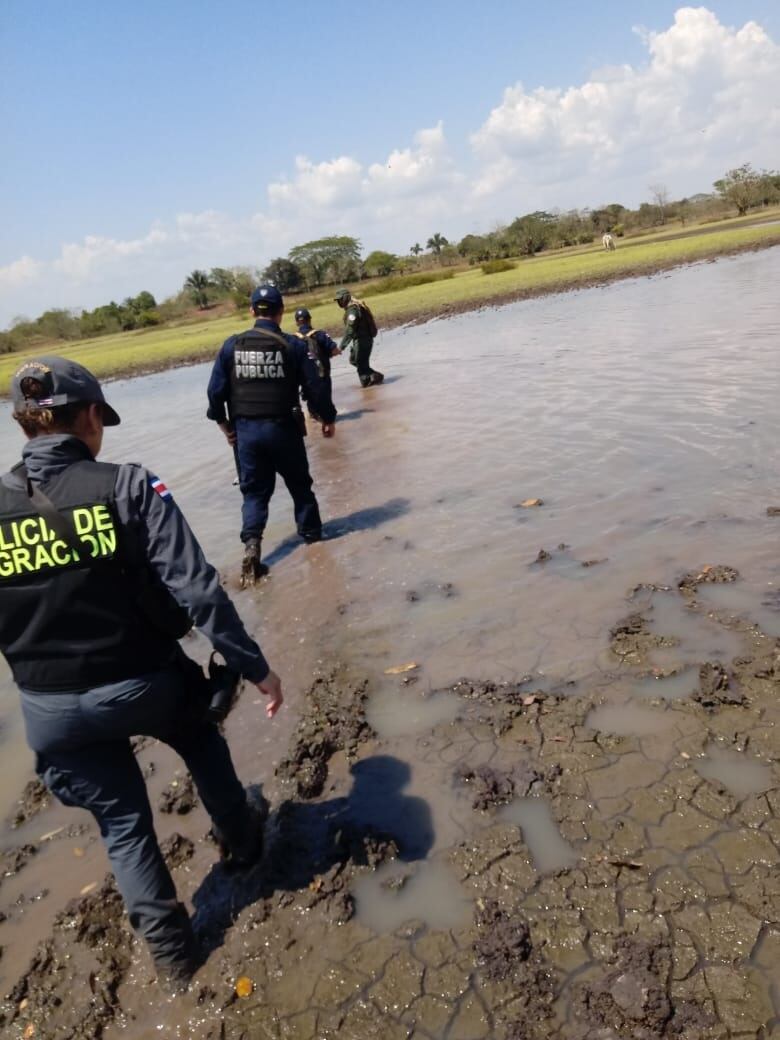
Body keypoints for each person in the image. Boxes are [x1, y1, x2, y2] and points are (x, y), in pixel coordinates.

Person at [0, 356, 283, 992]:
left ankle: (176, 963)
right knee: (201, 735)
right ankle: (244, 844)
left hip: (49, 709)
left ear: (25, 426)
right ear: (91, 417)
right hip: (144, 683)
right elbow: (199, 592)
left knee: (125, 827)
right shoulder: (129, 486)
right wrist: (254, 666)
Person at [207, 285, 336, 586]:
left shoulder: (231, 346)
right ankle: (315, 545)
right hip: (284, 431)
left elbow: (215, 394)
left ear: (252, 311)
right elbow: (315, 387)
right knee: (301, 488)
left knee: (254, 494)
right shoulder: (292, 345)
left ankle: (252, 546)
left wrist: (225, 426)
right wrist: (327, 418)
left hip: (247, 435)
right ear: (281, 312)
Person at [292, 306, 341, 421]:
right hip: (322, 375)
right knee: (327, 406)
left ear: (296, 323)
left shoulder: (293, 339)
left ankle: (314, 414)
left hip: (304, 378)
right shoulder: (320, 334)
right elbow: (334, 350)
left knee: (310, 400)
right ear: (309, 319)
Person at [334, 287, 384, 388]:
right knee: (355, 361)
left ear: (346, 297)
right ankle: (375, 376)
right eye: (337, 300)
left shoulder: (353, 310)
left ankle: (369, 385)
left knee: (361, 367)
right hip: (363, 340)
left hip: (362, 341)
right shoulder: (353, 307)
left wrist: (341, 347)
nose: (339, 302)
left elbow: (350, 330)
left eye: (340, 299)